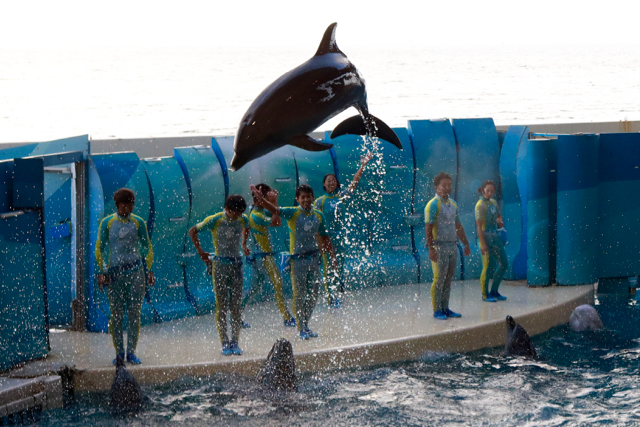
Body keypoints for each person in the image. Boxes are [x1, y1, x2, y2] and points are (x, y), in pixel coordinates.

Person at [251, 184, 337, 340]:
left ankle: (306, 324)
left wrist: (332, 256)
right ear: (297, 199)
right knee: (300, 294)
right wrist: (261, 199)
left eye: (308, 196)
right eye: (302, 197)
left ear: (312, 198)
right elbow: (275, 211)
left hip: (314, 259)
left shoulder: (318, 215)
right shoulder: (292, 213)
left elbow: (325, 237)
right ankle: (302, 327)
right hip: (298, 261)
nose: (305, 200)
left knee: (313, 295)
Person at [95, 188, 155, 365]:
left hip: (136, 273)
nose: (127, 210)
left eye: (130, 206)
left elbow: (147, 247)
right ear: (117, 205)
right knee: (117, 315)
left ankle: (131, 353)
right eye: (123, 206)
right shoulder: (107, 223)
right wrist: (101, 271)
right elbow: (99, 248)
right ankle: (119, 354)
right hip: (115, 274)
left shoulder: (138, 222)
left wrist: (149, 269)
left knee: (134, 314)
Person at [188, 195, 250, 356]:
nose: (238, 216)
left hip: (237, 265)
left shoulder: (243, 220)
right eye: (235, 212)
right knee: (222, 306)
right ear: (228, 209)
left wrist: (244, 244)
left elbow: (247, 226)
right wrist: (200, 252)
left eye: (241, 213)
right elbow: (193, 231)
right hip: (220, 266)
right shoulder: (215, 220)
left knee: (236, 306)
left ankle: (235, 341)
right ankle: (224, 342)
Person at [314, 152, 374, 307]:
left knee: (339, 266)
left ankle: (336, 293)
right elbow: (314, 222)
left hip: (340, 237)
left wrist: (362, 166)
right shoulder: (319, 201)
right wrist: (318, 241)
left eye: (333, 180)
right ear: (324, 184)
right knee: (328, 267)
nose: (331, 183)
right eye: (328, 181)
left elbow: (354, 183)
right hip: (327, 238)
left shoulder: (341, 197)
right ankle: (330, 298)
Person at [242, 183, 296, 327]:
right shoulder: (257, 215)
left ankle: (236, 315)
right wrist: (273, 202)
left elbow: (246, 227)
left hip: (259, 257)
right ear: (259, 198)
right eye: (265, 198)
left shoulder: (254, 211)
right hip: (264, 258)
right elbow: (277, 222)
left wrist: (244, 244)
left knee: (253, 289)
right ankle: (287, 317)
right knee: (278, 284)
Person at [425, 172, 471, 320]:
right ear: (437, 187)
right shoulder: (433, 204)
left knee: (448, 278)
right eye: (444, 185)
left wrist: (466, 243)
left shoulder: (453, 204)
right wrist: (431, 248)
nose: (447, 188)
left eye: (449, 185)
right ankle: (437, 310)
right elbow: (428, 227)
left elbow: (458, 226)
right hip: (440, 246)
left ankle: (445, 308)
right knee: (439, 278)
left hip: (452, 246)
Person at [475, 180, 508, 302]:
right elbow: (478, 226)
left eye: (492, 191)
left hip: (495, 237)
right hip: (485, 237)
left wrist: (500, 221)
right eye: (488, 190)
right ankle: (485, 294)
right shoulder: (480, 205)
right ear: (483, 190)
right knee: (488, 267)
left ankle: (494, 291)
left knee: (504, 264)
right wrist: (483, 244)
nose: (490, 193)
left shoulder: (493, 203)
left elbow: (498, 217)